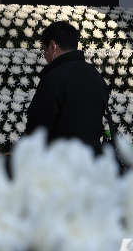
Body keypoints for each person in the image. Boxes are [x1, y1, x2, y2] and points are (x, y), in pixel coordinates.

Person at [24, 21, 109, 155]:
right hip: (93, 162)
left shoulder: (54, 77)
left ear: (53, 46)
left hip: (62, 163)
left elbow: (37, 128)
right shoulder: (96, 76)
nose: (45, 56)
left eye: (45, 50)